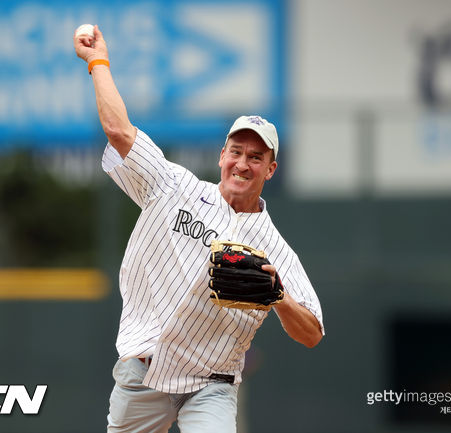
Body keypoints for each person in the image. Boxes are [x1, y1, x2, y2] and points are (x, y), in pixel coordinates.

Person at [74, 25, 324, 433]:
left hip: (211, 385)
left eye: (256, 157)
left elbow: (312, 332)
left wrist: (279, 297)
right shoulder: (173, 186)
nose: (243, 163)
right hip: (143, 372)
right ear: (222, 154)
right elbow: (119, 132)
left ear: (271, 169)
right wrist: (97, 62)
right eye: (237, 151)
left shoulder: (275, 250)